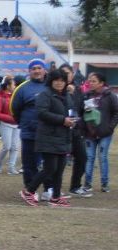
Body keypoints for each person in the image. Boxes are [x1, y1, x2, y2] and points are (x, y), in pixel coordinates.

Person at [19, 70, 74, 207]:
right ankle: (29, 191)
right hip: (48, 136)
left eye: (62, 80)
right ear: (51, 81)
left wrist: (73, 119)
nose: (59, 82)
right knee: (50, 168)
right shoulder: (45, 94)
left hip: (63, 136)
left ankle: (55, 197)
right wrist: (62, 120)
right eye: (56, 80)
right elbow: (42, 113)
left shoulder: (66, 96)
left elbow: (72, 110)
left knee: (59, 169)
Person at [10, 59, 49, 196]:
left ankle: (48, 189)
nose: (37, 71)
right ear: (29, 71)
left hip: (48, 133)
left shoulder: (51, 86)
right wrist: (27, 122)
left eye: (39, 68)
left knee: (49, 163)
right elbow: (14, 109)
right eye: (34, 68)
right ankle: (30, 190)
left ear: (45, 70)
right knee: (29, 163)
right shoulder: (22, 88)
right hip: (29, 132)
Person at [81, 72, 118, 193]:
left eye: (93, 81)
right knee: (89, 157)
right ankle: (87, 183)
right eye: (89, 81)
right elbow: (82, 112)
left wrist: (110, 127)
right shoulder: (86, 96)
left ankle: (104, 183)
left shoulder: (110, 96)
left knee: (102, 157)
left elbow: (116, 113)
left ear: (101, 83)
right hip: (89, 133)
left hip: (105, 133)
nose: (90, 83)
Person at [59, 63, 91, 197]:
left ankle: (75, 186)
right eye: (63, 73)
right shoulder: (57, 90)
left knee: (82, 158)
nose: (67, 76)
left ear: (72, 74)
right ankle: (54, 189)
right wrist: (67, 93)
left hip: (77, 130)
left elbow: (82, 108)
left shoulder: (78, 90)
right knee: (59, 162)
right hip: (62, 130)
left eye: (69, 73)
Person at [0, 76, 21, 175]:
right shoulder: (0, 97)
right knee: (7, 146)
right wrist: (11, 118)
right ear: (8, 86)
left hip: (17, 125)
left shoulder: (16, 96)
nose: (15, 86)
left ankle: (11, 167)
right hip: (6, 125)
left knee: (15, 147)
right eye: (13, 84)